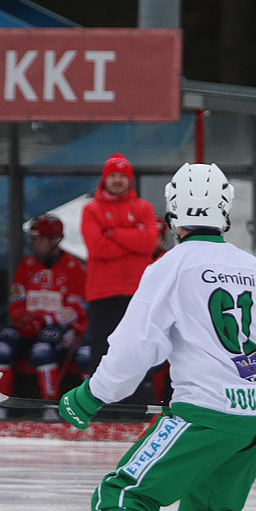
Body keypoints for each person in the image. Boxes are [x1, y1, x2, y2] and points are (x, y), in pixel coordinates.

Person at [58, 163, 256, 511]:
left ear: (172, 214)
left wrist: (90, 396)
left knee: (120, 499)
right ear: (225, 211)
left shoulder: (170, 267)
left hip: (205, 414)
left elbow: (134, 348)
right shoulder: (254, 268)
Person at [0, 214, 89, 421]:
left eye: (41, 239)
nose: (36, 244)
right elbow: (16, 299)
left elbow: (74, 309)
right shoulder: (27, 264)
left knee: (42, 351)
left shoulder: (74, 267)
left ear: (55, 239)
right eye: (34, 239)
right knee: (0, 349)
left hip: (60, 329)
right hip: (28, 326)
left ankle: (50, 407)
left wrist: (44, 321)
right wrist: (22, 319)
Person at [80, 153, 157, 379]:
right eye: (112, 175)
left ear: (129, 180)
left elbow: (149, 242)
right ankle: (99, 405)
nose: (117, 180)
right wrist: (133, 240)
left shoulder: (144, 208)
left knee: (137, 351)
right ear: (104, 179)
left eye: (122, 176)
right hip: (103, 294)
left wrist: (113, 233)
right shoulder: (91, 210)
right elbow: (96, 247)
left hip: (137, 293)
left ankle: (135, 408)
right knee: (102, 352)